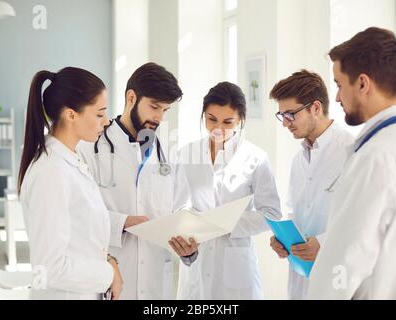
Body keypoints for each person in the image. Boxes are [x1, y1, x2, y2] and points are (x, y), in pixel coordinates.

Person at [307, 27, 396, 299]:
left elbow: (345, 260)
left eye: (339, 84)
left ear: (363, 84)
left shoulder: (375, 157)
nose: (337, 97)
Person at [77, 63, 195, 300]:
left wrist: (188, 246)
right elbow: (79, 213)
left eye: (165, 110)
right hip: (111, 274)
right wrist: (122, 222)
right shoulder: (89, 149)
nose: (159, 117)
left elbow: (180, 208)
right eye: (154, 107)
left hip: (156, 282)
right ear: (131, 97)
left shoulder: (169, 155)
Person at [19, 67, 123, 300]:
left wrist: (108, 260)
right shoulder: (51, 172)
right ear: (71, 114)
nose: (106, 121)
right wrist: (109, 274)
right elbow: (50, 268)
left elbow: (78, 237)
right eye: (99, 114)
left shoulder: (70, 160)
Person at [175, 82, 281, 300]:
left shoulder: (255, 158)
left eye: (227, 122)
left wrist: (223, 223)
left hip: (236, 267)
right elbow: (176, 207)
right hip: (196, 261)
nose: (217, 129)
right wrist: (187, 232)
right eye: (211, 119)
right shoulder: (187, 153)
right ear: (204, 114)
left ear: (240, 120)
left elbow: (271, 213)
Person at [269, 70, 354, 299]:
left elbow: (365, 220)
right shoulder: (299, 160)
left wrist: (324, 244)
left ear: (315, 108)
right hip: (300, 280)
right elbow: (294, 212)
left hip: (337, 280)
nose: (285, 123)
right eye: (281, 115)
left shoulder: (352, 152)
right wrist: (283, 241)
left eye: (290, 114)